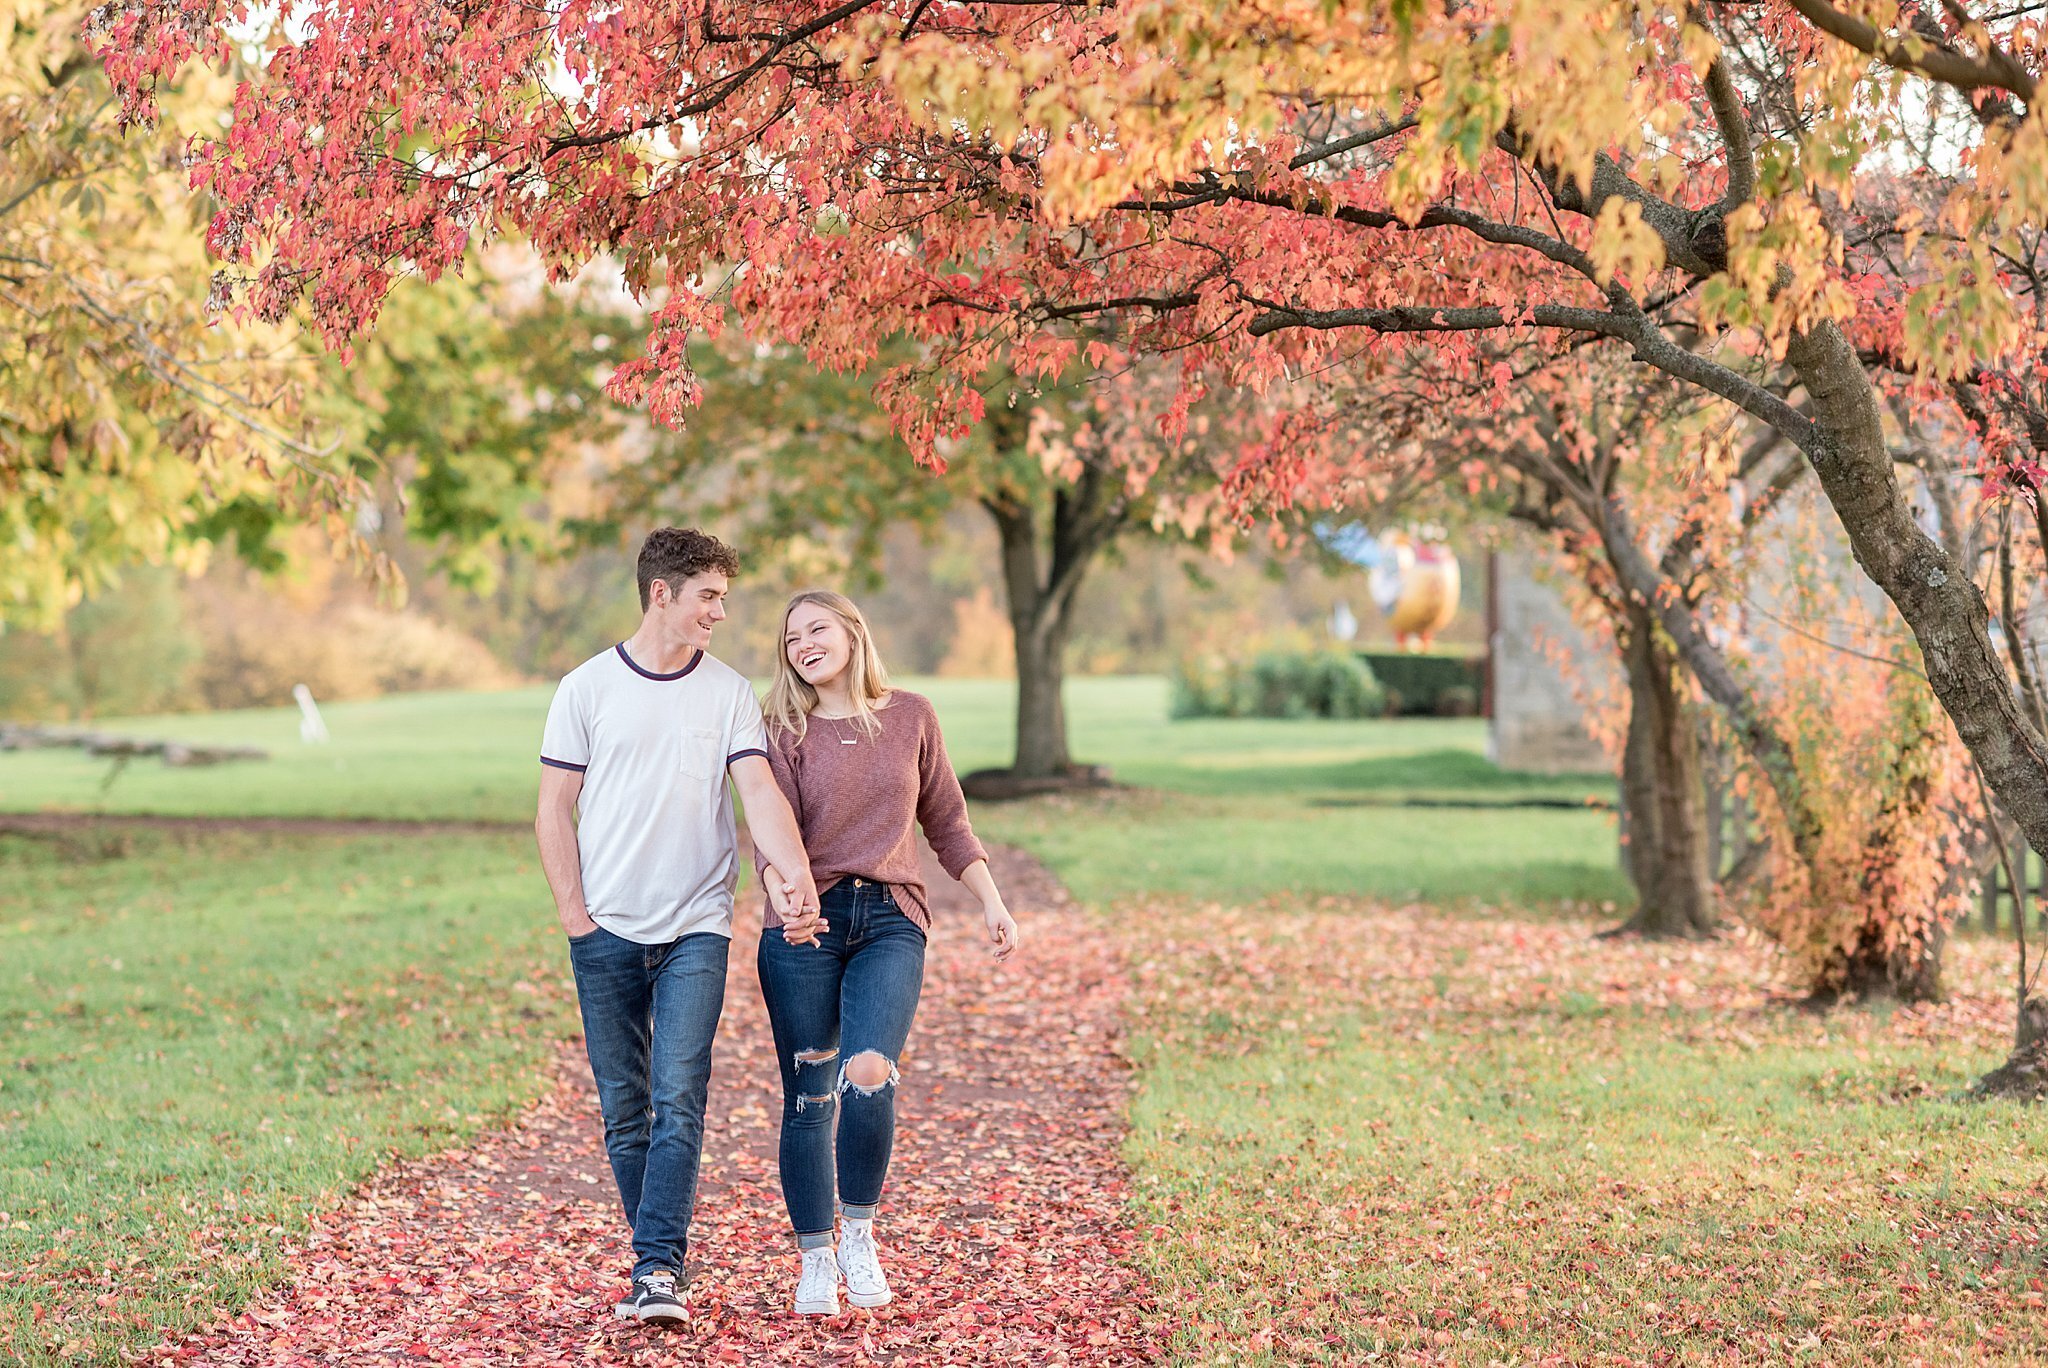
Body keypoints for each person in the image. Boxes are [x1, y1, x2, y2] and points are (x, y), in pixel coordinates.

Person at [534, 528, 819, 1326]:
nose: (722, 612)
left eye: (724, 597)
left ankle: (656, 1269)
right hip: (606, 930)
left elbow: (758, 792)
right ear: (662, 594)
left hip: (698, 923)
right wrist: (576, 918)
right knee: (625, 1109)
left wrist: (792, 872)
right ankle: (658, 1255)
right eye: (709, 597)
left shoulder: (727, 691)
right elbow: (554, 809)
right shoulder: (585, 689)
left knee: (679, 1097)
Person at [753, 590, 1020, 1316]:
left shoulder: (911, 716)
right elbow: (767, 831)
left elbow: (948, 821)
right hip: (804, 926)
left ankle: (859, 1236)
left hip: (891, 919)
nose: (803, 644)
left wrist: (991, 900)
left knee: (869, 1071)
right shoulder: (781, 728)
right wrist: (784, 894)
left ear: (851, 633)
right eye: (791, 637)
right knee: (809, 1095)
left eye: (817, 629)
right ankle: (814, 1258)